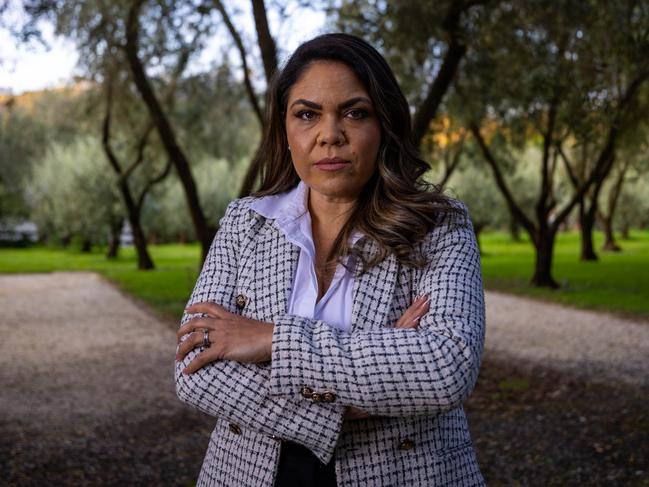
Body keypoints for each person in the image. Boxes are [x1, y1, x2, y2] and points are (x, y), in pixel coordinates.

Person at [174, 33, 485, 487]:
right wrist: (363, 391)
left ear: (384, 123)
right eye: (307, 114)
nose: (330, 135)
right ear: (285, 127)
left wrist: (270, 341)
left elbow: (446, 366)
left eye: (355, 113)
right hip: (247, 473)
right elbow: (192, 369)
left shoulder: (438, 226)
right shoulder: (246, 222)